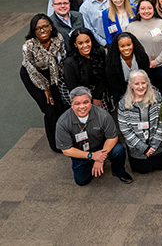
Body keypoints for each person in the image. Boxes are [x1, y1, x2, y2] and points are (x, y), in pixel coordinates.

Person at [55, 87, 133, 185]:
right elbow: (66, 150)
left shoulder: (103, 115)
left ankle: (118, 171)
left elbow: (112, 137)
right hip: (81, 151)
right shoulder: (63, 122)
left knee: (118, 150)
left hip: (102, 146)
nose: (82, 107)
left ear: (91, 102)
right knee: (82, 181)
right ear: (71, 105)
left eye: (86, 102)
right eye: (77, 103)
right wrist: (91, 156)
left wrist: (100, 159)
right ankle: (89, 165)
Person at [20, 14, 66, 152]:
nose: (42, 30)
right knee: (49, 109)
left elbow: (60, 60)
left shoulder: (58, 39)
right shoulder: (28, 46)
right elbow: (32, 71)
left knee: (60, 106)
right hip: (33, 77)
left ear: (51, 26)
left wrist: (57, 85)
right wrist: (46, 89)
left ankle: (64, 137)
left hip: (53, 74)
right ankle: (55, 145)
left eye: (45, 26)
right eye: (38, 28)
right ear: (33, 31)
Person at [117, 70, 162, 174]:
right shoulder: (123, 104)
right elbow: (125, 130)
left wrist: (154, 144)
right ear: (131, 86)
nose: (140, 87)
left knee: (161, 165)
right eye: (136, 84)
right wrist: (143, 147)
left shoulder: (157, 97)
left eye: (143, 83)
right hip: (137, 149)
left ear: (148, 83)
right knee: (142, 170)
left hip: (159, 145)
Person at [126, 0, 162, 98]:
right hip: (142, 67)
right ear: (138, 11)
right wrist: (144, 62)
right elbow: (130, 48)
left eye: (149, 8)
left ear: (154, 9)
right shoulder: (131, 27)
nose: (146, 11)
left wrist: (156, 61)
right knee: (146, 94)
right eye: (142, 8)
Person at [63, 27, 107, 108]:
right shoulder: (69, 62)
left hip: (96, 88)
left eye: (87, 41)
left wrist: (97, 97)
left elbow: (104, 76)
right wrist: (88, 101)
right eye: (80, 43)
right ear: (75, 44)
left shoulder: (100, 52)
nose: (85, 46)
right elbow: (73, 87)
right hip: (77, 91)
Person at [105, 32, 151, 104]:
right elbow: (114, 84)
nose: (126, 48)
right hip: (121, 94)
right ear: (118, 47)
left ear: (133, 44)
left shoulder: (142, 57)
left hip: (142, 89)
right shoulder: (112, 62)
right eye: (122, 46)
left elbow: (146, 76)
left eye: (129, 45)